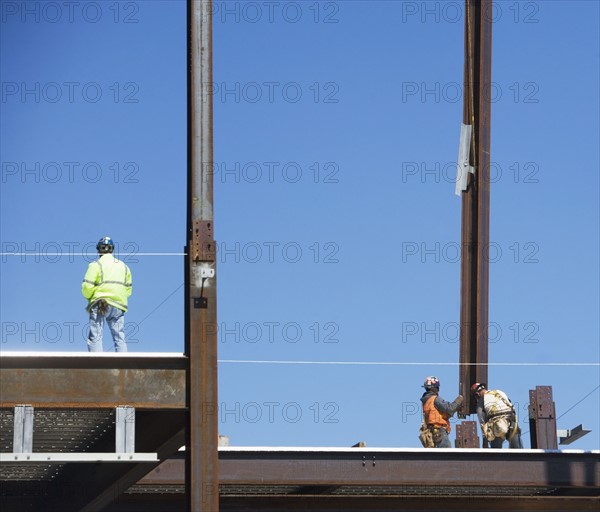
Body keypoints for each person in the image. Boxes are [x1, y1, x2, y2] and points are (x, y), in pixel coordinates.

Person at [82, 236, 132, 352]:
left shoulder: (96, 265)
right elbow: (128, 290)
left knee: (96, 335)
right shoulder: (124, 267)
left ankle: (97, 363)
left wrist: (91, 297)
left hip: (100, 303)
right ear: (112, 249)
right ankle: (123, 363)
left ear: (99, 250)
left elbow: (86, 287)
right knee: (119, 336)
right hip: (119, 305)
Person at [471, 383, 523, 449]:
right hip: (512, 421)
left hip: (497, 424)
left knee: (495, 451)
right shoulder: (499, 392)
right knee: (518, 451)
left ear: (477, 394)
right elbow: (509, 404)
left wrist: (485, 442)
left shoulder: (481, 401)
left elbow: (482, 423)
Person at [420, 376, 464, 448]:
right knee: (446, 455)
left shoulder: (426, 401)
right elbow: (450, 408)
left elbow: (439, 415)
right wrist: (459, 400)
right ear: (433, 388)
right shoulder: (435, 399)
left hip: (431, 433)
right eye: (437, 387)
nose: (438, 390)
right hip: (439, 431)